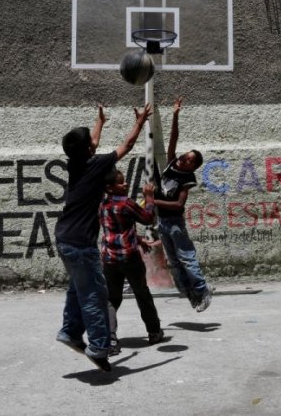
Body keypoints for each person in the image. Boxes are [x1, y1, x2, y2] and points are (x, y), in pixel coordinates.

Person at [55, 102, 151, 372]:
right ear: (89, 150)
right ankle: (98, 346)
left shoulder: (75, 163)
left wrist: (101, 122)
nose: (94, 144)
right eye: (91, 143)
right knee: (95, 295)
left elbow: (93, 142)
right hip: (80, 244)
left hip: (63, 237)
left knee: (78, 289)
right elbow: (127, 146)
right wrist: (140, 121)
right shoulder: (97, 165)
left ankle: (70, 332)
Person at [154, 98, 212, 312]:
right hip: (162, 222)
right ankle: (190, 294)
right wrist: (176, 115)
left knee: (187, 258)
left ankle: (202, 289)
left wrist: (155, 201)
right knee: (174, 262)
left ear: (192, 166)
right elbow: (173, 139)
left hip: (174, 223)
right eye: (185, 156)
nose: (183, 159)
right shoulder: (171, 163)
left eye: (188, 160)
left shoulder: (187, 179)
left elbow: (178, 204)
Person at [99, 169, 164, 355]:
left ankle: (110, 338)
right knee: (142, 293)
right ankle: (154, 332)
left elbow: (119, 228)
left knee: (112, 298)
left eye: (125, 181)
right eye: (121, 183)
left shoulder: (103, 204)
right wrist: (149, 197)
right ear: (110, 188)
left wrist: (138, 239)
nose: (125, 184)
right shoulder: (126, 203)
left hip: (110, 258)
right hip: (129, 258)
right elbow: (148, 218)